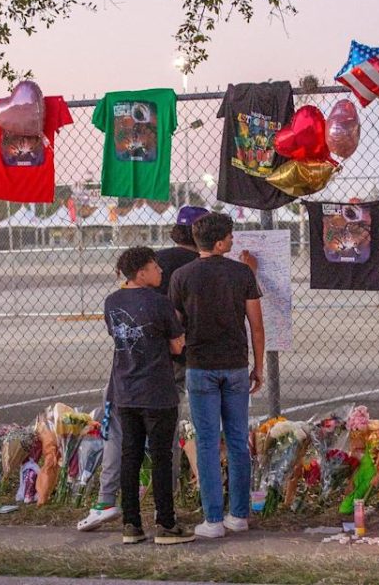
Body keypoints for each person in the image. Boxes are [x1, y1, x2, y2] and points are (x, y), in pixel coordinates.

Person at [77, 206, 208, 532]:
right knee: (166, 442)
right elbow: (179, 336)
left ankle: (113, 506)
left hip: (129, 374)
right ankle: (168, 512)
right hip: (170, 368)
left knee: (123, 442)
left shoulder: (137, 277)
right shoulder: (200, 267)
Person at [169, 212, 265, 538]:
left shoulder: (182, 276)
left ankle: (212, 520)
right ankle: (238, 515)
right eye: (231, 236)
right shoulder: (242, 274)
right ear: (221, 242)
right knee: (238, 441)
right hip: (236, 365)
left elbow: (176, 326)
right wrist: (259, 366)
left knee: (207, 443)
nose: (234, 240)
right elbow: (256, 324)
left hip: (199, 366)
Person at [102, 246, 194, 545]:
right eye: (155, 267)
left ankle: (131, 524)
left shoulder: (112, 302)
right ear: (141, 272)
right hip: (157, 389)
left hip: (125, 389)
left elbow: (118, 335)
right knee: (160, 456)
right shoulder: (159, 303)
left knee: (131, 454)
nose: (161, 271)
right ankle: (166, 523)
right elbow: (176, 345)